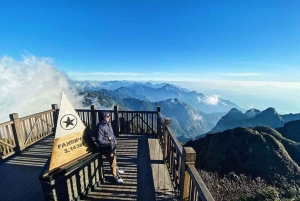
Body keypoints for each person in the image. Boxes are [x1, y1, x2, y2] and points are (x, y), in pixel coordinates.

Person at [95, 111, 124, 184]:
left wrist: (114, 140)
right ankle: (115, 176)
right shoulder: (100, 127)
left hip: (112, 146)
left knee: (114, 160)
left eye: (109, 116)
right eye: (107, 116)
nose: (109, 117)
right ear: (103, 117)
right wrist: (108, 141)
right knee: (112, 162)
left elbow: (112, 134)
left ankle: (116, 170)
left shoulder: (109, 124)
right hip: (107, 148)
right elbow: (99, 140)